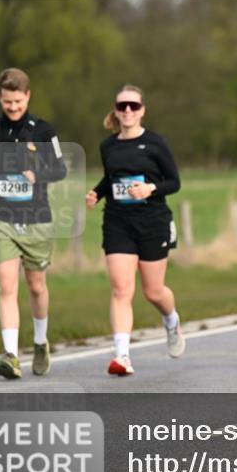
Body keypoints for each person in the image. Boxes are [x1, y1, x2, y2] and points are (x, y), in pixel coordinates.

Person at [0, 68, 67, 379]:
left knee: (36, 286)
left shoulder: (44, 131)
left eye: (18, 102)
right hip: (1, 217)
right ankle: (11, 355)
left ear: (28, 96)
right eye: (8, 102)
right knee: (7, 286)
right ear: (0, 98)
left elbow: (60, 170)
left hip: (36, 219)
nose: (13, 108)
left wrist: (38, 175)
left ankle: (40, 342)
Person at [86, 85, 185, 376]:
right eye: (122, 106)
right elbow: (111, 178)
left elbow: (174, 182)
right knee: (121, 289)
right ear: (116, 111)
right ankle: (122, 356)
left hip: (153, 221)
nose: (127, 111)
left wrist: (150, 188)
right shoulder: (108, 146)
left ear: (142, 110)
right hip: (118, 222)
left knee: (153, 291)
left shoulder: (156, 143)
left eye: (133, 106)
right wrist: (97, 193)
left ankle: (171, 321)